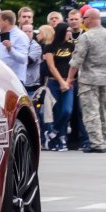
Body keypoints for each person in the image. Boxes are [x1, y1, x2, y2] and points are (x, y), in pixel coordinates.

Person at [67, 7, 106, 154]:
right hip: (105, 78)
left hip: (89, 79)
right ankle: (103, 138)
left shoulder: (86, 37)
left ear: (89, 19)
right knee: (103, 110)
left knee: (91, 111)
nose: (83, 21)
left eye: (84, 19)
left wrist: (70, 78)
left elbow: (76, 60)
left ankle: (96, 143)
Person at [42, 22, 75, 151]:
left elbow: (74, 64)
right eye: (67, 31)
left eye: (71, 31)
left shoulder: (72, 46)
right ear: (61, 32)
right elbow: (51, 66)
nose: (70, 33)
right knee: (57, 111)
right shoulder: (50, 47)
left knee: (67, 110)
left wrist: (68, 81)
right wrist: (61, 82)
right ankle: (60, 139)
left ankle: (53, 132)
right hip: (54, 83)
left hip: (69, 82)